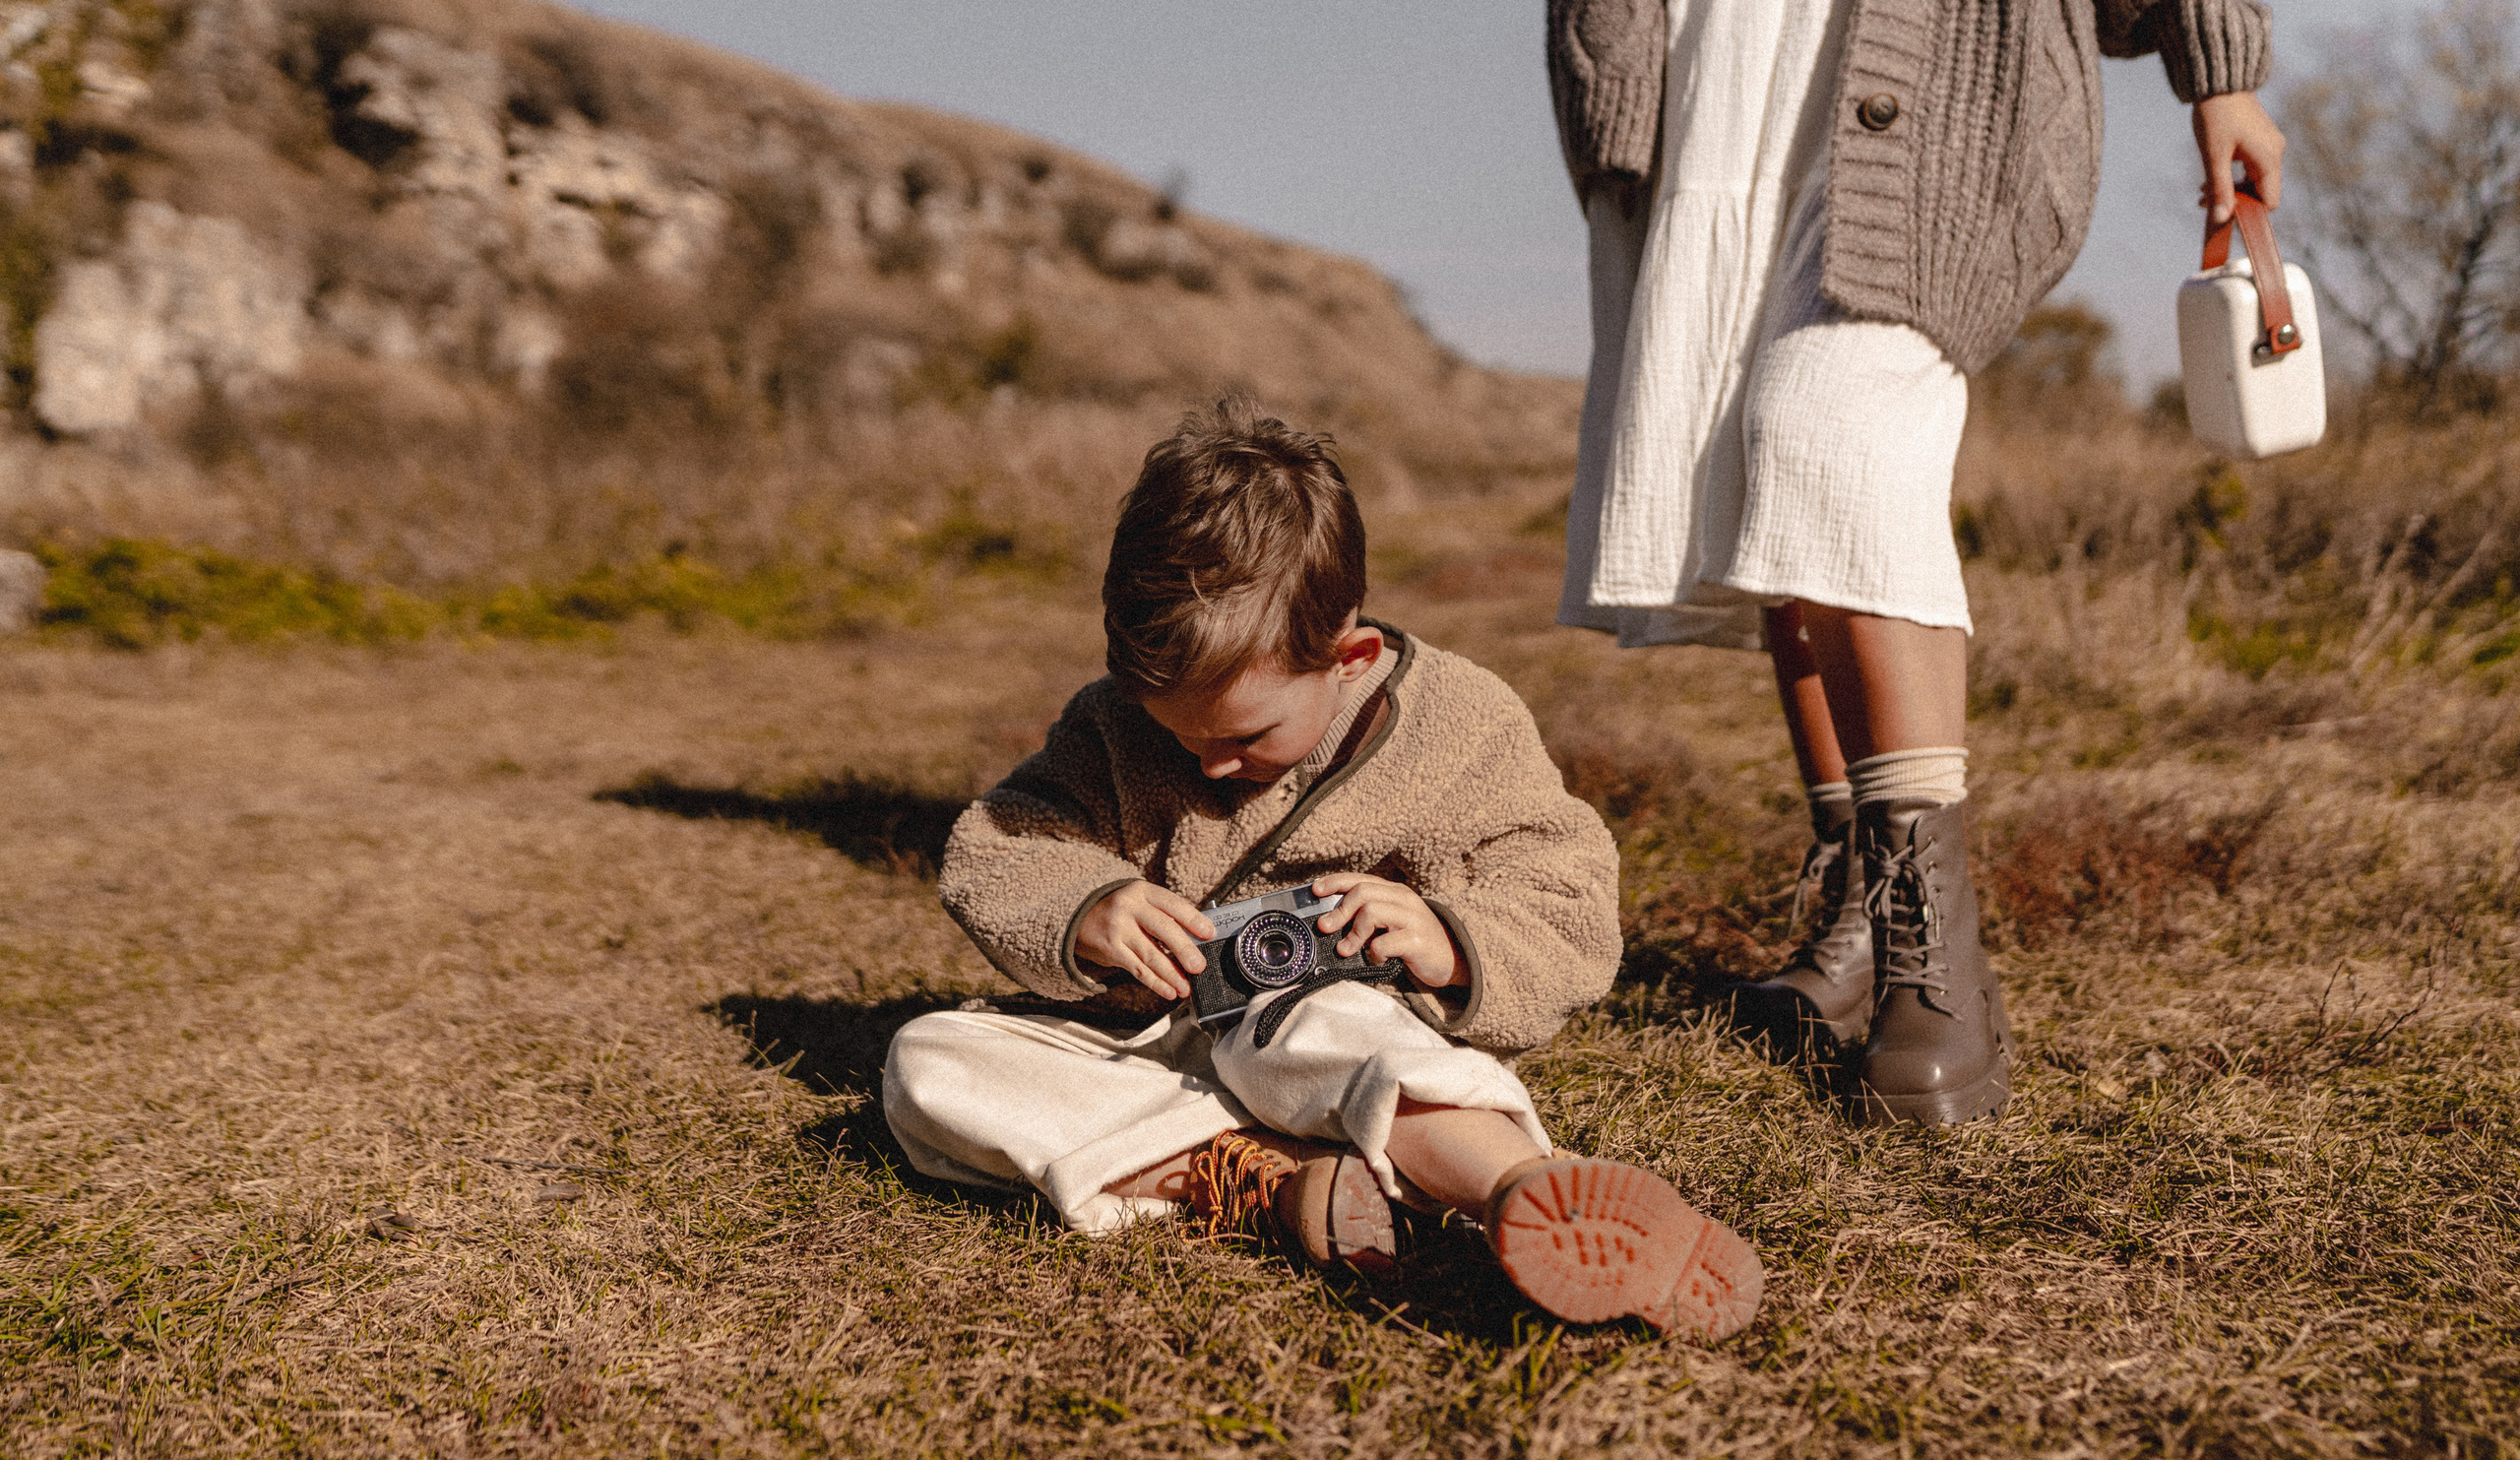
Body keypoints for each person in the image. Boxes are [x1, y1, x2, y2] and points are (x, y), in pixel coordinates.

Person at [1544, 0, 2286, 1125]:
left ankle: (1932, 956)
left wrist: (2218, 72)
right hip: (1719, 77)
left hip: (1942, 76)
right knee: (1763, 486)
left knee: (1826, 431)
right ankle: (1857, 896)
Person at [882, 402, 1762, 1340]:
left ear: (1351, 658)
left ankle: (1523, 1193)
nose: (1211, 766)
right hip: (1156, 1055)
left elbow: (1569, 888)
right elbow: (1003, 839)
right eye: (1181, 737)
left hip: (1344, 1045)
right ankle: (1269, 1180)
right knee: (927, 1066)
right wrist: (1087, 906)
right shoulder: (1113, 725)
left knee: (1327, 1023)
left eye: (1246, 737)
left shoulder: (1463, 725)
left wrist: (1451, 941)